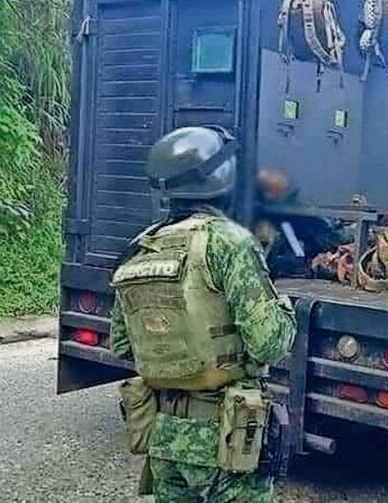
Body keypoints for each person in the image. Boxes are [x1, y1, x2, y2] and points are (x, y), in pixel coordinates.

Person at [109, 127, 297, 502]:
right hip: (226, 437)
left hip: (165, 437)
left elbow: (122, 345)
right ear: (222, 177)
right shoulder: (230, 242)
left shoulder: (141, 246)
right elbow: (269, 343)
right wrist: (285, 310)